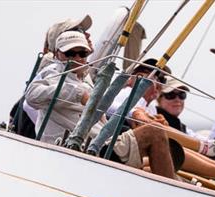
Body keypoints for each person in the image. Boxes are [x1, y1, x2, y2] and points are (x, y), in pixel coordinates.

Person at [26, 31, 176, 179]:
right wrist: (78, 94)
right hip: (75, 149)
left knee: (162, 143)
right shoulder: (52, 73)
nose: (77, 58)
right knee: (155, 134)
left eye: (82, 54)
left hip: (99, 144)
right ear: (58, 54)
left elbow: (104, 105)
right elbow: (31, 95)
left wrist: (135, 114)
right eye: (70, 53)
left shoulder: (84, 78)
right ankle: (173, 194)